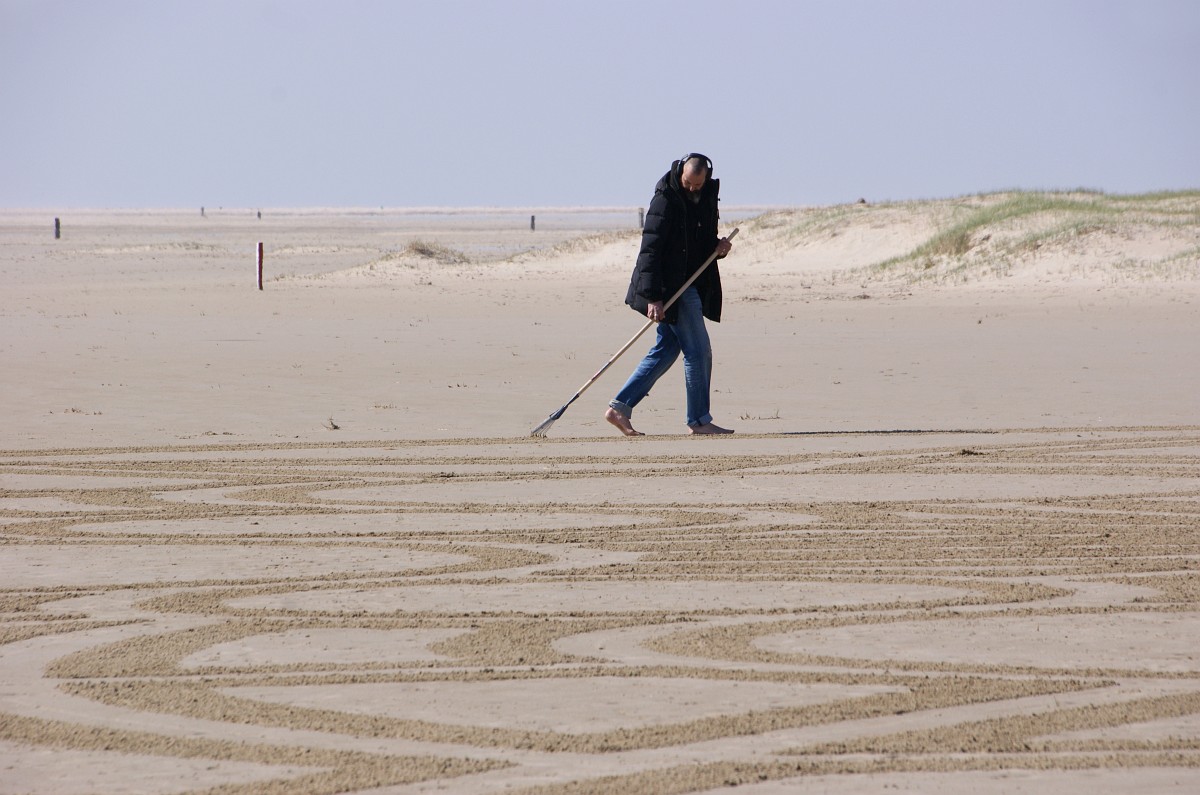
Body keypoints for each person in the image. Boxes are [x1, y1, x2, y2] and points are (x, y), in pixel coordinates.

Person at [604, 153, 734, 436]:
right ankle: (698, 420)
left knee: (666, 350)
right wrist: (653, 297)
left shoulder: (706, 196)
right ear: (681, 174)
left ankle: (620, 408)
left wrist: (718, 249)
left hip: (689, 283)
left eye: (697, 185)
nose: (692, 189)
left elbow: (698, 242)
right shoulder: (664, 199)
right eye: (688, 183)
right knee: (698, 352)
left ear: (706, 178)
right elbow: (649, 252)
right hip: (669, 289)